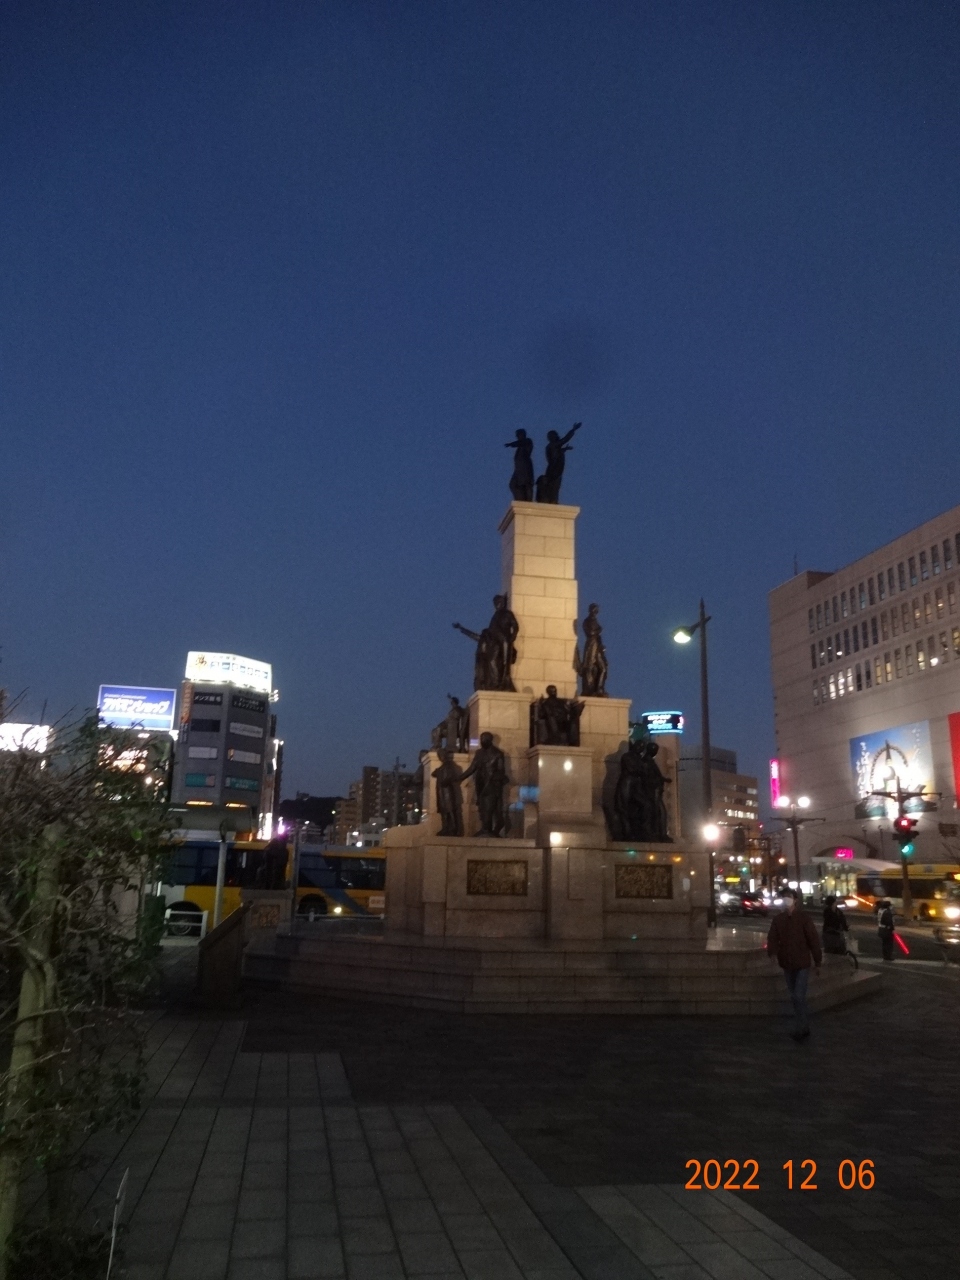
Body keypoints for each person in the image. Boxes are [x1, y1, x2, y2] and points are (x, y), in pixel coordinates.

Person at [766, 889, 822, 1041]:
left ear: (795, 899)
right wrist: (772, 953)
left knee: (798, 996)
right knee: (795, 996)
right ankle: (803, 1025)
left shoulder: (803, 918)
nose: (786, 899)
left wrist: (817, 961)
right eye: (784, 897)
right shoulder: (779, 919)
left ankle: (801, 1028)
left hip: (802, 962)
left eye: (789, 897)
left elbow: (813, 940)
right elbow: (772, 937)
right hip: (787, 963)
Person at [505, 429, 535, 501]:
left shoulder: (528, 441)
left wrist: (511, 444)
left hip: (525, 467)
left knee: (526, 484)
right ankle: (520, 498)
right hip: (518, 468)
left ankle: (528, 500)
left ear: (522, 434)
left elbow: (521, 443)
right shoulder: (519, 448)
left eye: (518, 435)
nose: (517, 437)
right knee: (513, 484)